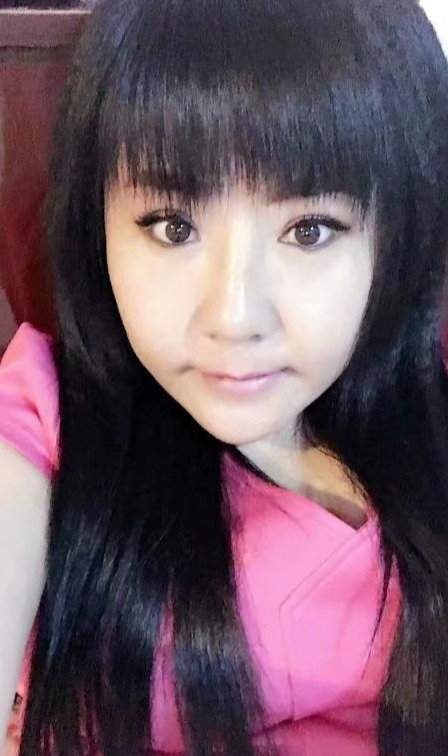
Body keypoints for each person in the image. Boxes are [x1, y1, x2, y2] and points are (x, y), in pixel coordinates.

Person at [2, 0, 448, 753]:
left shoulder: (429, 390)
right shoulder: (47, 420)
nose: (234, 317)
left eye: (309, 230)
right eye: (172, 226)